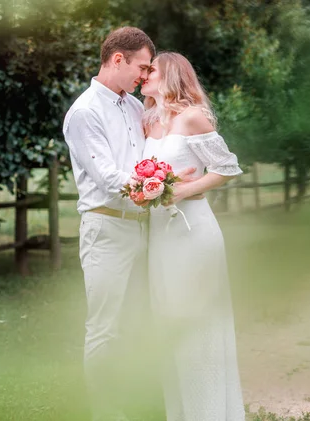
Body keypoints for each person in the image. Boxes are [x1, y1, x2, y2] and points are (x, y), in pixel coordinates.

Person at [63, 28, 196, 421]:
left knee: (141, 319)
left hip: (147, 227)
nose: (144, 75)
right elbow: (107, 176)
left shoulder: (136, 108)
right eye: (141, 66)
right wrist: (166, 185)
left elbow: (153, 153)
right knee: (105, 327)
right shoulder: (84, 112)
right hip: (106, 229)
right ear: (117, 59)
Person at [140, 51, 246, 421]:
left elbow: (227, 168)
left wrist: (184, 190)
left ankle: (212, 412)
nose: (143, 75)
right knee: (169, 320)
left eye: (150, 70)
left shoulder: (193, 117)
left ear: (170, 74)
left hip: (193, 231)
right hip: (160, 235)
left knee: (199, 320)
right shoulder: (149, 121)